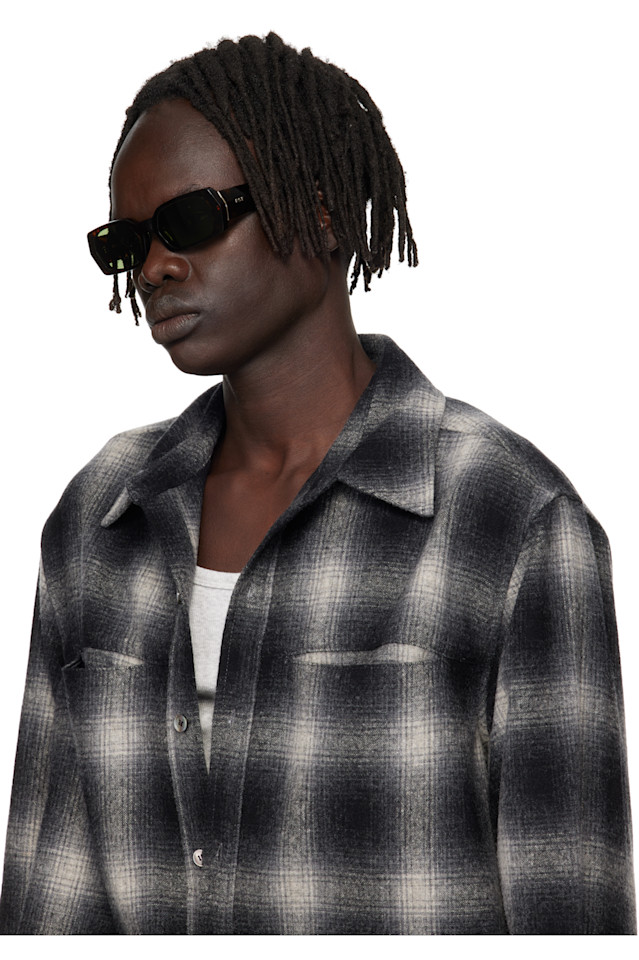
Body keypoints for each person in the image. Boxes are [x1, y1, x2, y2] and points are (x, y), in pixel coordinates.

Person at [0, 32, 635, 936]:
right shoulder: (100, 518)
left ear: (324, 214)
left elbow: (569, 911)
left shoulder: (509, 517)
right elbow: (47, 905)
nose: (153, 268)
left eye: (189, 221)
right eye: (126, 243)